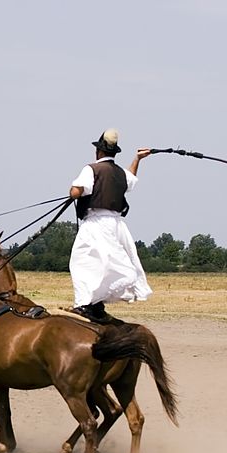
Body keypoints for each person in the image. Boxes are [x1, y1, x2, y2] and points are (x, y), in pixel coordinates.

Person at [67, 129, 153, 324]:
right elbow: (131, 180)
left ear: (98, 152)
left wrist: (73, 190)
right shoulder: (120, 173)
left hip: (97, 222)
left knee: (83, 261)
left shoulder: (91, 169)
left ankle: (85, 303)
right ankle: (94, 302)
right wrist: (137, 159)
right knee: (102, 263)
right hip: (117, 224)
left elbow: (75, 192)